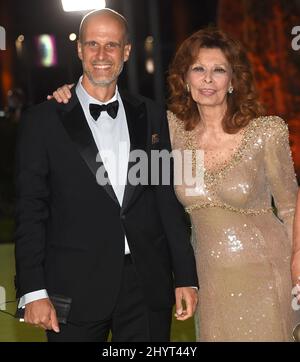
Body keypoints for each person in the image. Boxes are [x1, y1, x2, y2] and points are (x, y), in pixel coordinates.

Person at [52, 28, 299, 341]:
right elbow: (109, 110)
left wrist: (298, 265)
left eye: (219, 70)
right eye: (198, 69)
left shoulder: (267, 132)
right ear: (185, 78)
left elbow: (291, 206)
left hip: (268, 272)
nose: (208, 80)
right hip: (209, 278)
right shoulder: (169, 130)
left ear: (233, 80)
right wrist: (72, 94)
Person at [14, 9, 198, 342]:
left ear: (126, 51)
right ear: (80, 50)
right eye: (93, 44)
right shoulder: (43, 121)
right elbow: (30, 212)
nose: (102, 55)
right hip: (70, 288)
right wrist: (33, 290)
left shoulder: (151, 115)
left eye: (111, 45)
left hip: (145, 287)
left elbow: (165, 199)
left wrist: (186, 275)